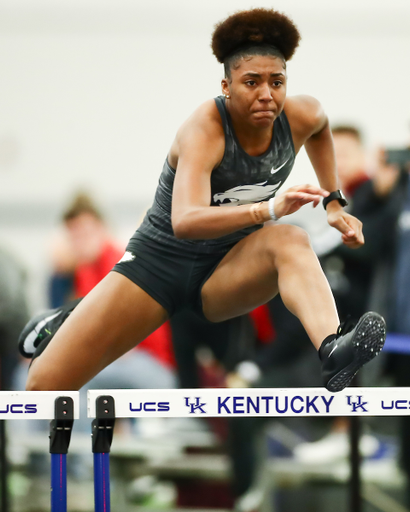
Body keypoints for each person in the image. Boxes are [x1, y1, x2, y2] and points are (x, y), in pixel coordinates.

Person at [20, 8, 386, 396]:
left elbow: (321, 128)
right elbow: (186, 220)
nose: (266, 94)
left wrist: (333, 203)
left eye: (277, 82)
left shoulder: (302, 114)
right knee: (43, 387)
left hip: (225, 271)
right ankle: (69, 317)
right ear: (226, 86)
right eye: (252, 82)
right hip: (157, 268)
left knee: (290, 240)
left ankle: (332, 350)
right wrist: (269, 209)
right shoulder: (206, 129)